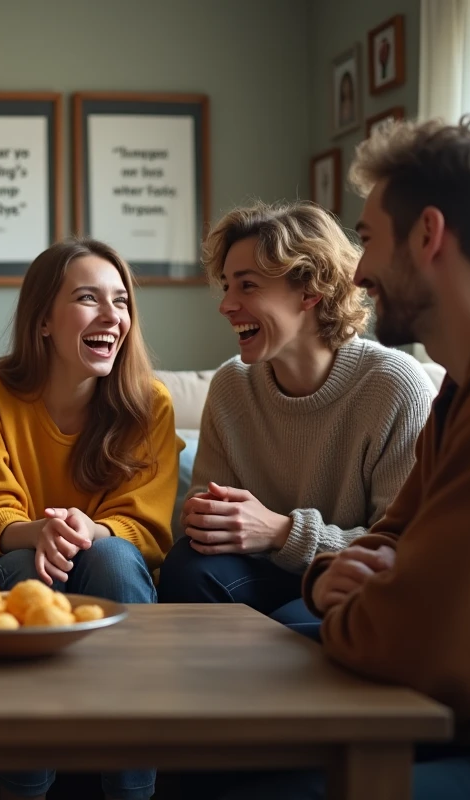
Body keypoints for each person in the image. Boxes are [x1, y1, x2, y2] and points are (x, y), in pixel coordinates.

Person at [222, 116, 470, 799]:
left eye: (366, 239)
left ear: (427, 235)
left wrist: (371, 595)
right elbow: (392, 539)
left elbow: (424, 648)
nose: (358, 271)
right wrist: (332, 578)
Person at [0, 238, 178, 800]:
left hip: (108, 567)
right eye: (87, 299)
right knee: (31, 565)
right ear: (44, 321)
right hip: (14, 570)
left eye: (121, 301)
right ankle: (24, 789)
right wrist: (41, 531)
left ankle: (131, 791)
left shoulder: (150, 404)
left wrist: (82, 529)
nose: (111, 316)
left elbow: (144, 527)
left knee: (116, 557)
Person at [157, 201, 434, 639]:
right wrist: (206, 519)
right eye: (227, 286)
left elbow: (406, 548)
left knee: (292, 630)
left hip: (349, 577)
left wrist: (283, 532)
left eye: (247, 286)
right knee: (187, 567)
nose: (226, 305)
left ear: (309, 292)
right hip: (260, 574)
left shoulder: (394, 385)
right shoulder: (233, 384)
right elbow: (212, 523)